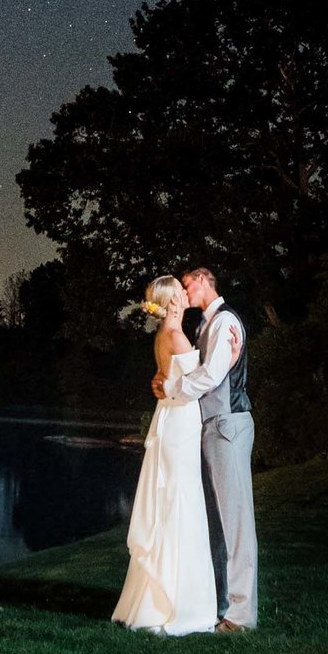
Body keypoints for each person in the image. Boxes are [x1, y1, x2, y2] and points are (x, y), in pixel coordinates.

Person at [110, 275, 217, 634]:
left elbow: (166, 378)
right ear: (172, 302)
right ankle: (175, 602)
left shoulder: (163, 337)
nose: (187, 296)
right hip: (179, 422)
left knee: (173, 500)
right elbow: (196, 385)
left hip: (172, 421)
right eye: (182, 293)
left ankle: (158, 595)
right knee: (179, 503)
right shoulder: (174, 336)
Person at [154, 266, 257, 632]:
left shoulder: (224, 320)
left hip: (228, 426)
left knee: (236, 523)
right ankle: (221, 606)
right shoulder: (205, 326)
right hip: (212, 427)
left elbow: (213, 376)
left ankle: (242, 616)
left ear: (202, 279)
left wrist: (172, 389)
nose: (183, 292)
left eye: (186, 284)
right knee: (216, 525)